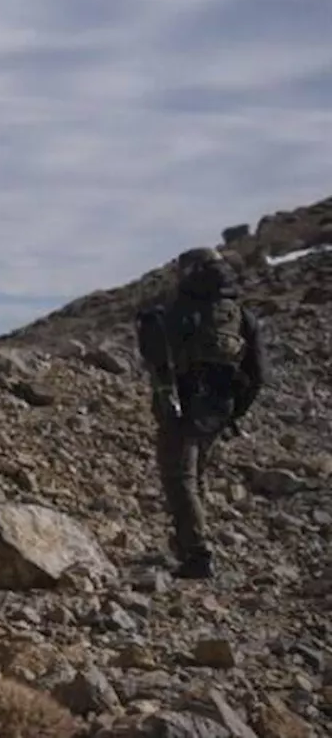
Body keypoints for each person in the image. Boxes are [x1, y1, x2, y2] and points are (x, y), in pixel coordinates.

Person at [137, 247, 266, 579]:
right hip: (218, 410)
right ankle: (189, 542)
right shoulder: (239, 314)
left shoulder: (179, 310)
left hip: (183, 406)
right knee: (196, 476)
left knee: (180, 479)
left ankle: (197, 554)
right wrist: (235, 411)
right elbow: (258, 374)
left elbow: (157, 358)